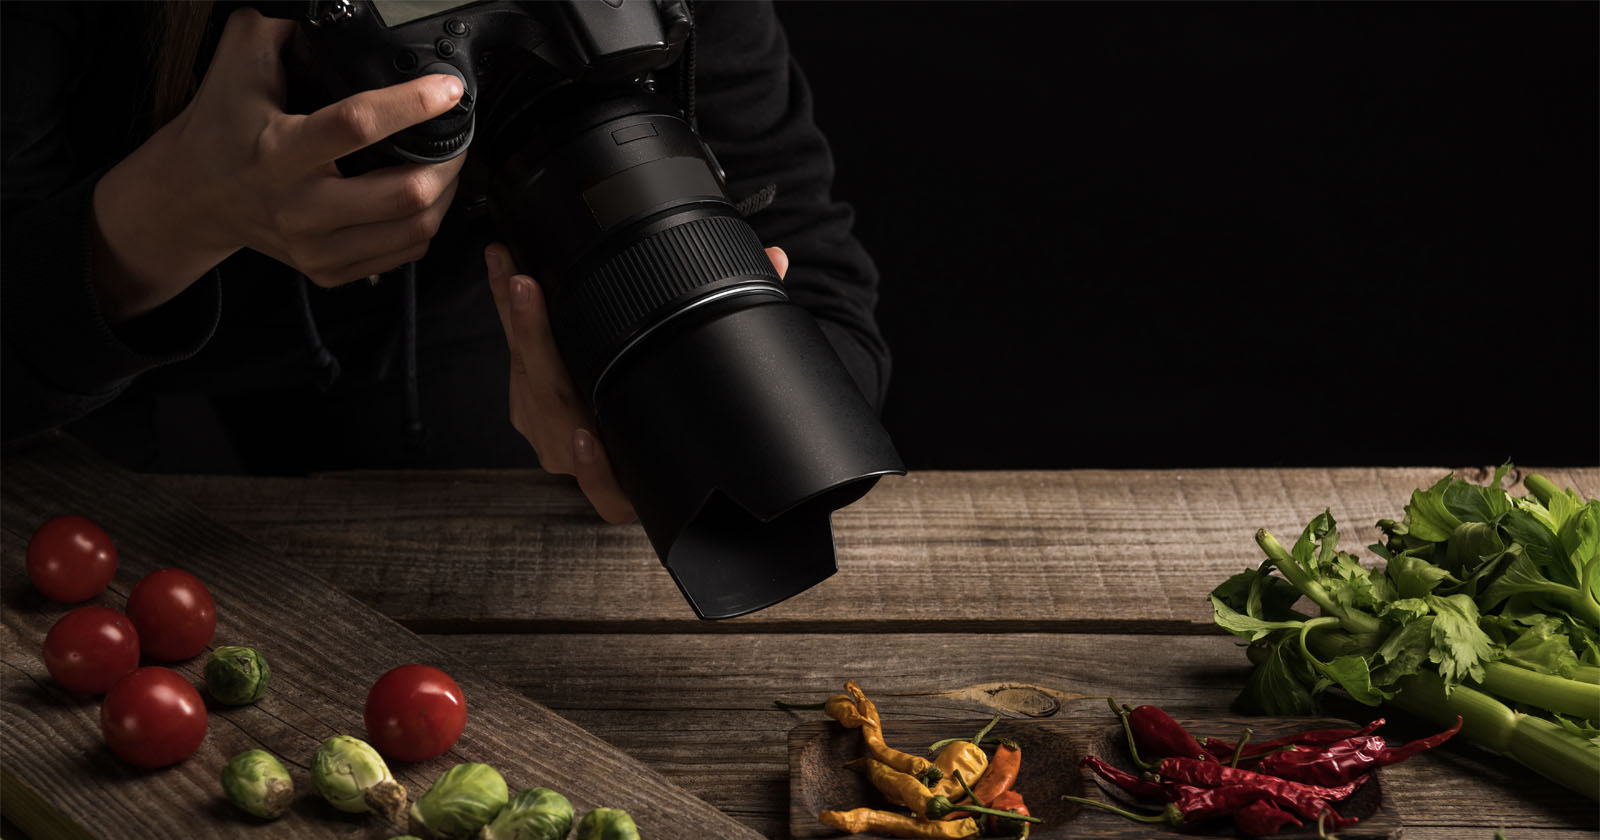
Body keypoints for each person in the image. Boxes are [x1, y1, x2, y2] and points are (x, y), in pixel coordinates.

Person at [1, 1, 890, 522]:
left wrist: (660, 401)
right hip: (63, 319)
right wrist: (172, 213)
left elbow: (812, 281)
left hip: (444, 315)